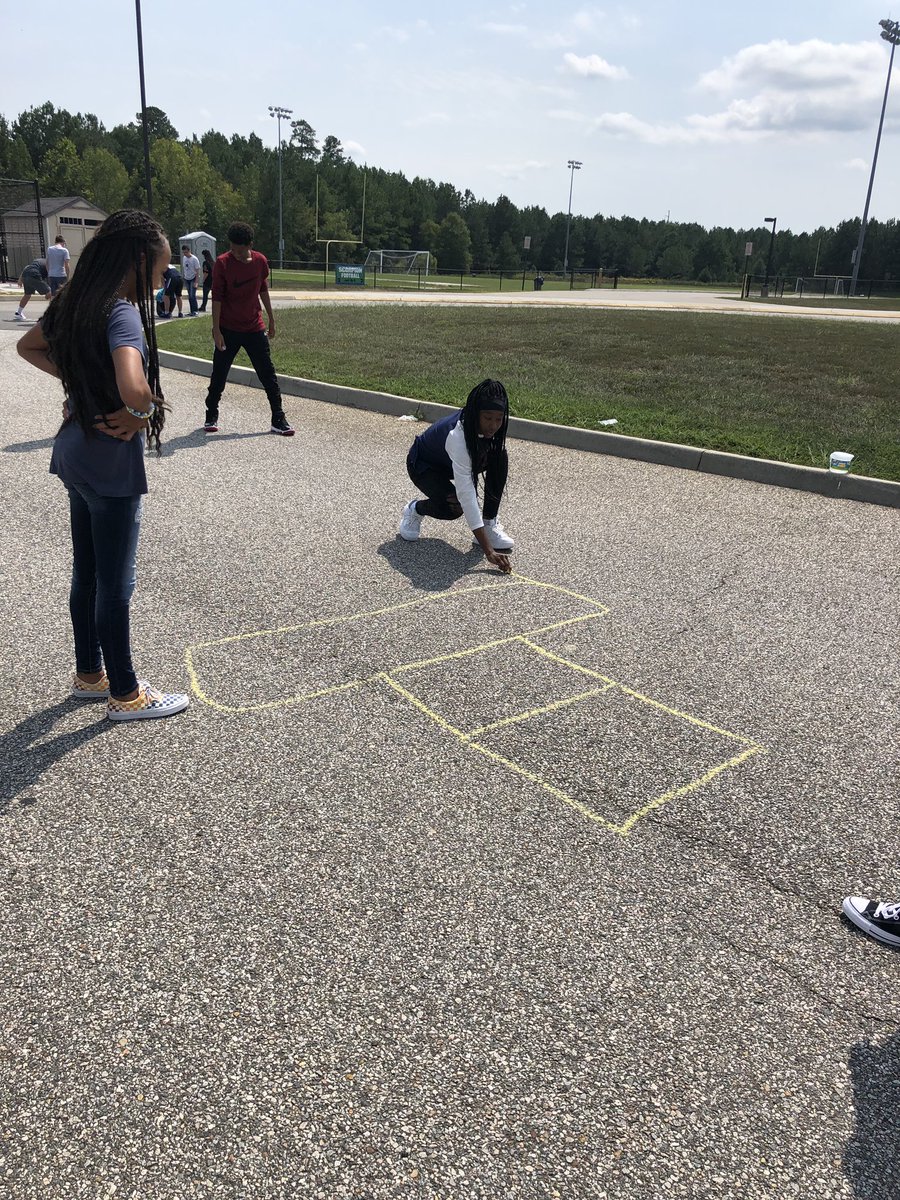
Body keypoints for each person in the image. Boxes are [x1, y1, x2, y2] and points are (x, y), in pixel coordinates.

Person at [16, 209, 189, 722]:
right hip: (109, 464)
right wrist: (141, 409)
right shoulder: (121, 312)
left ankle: (89, 675)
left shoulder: (76, 301)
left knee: (86, 572)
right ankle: (126, 693)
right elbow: (136, 387)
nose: (160, 282)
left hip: (74, 454)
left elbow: (29, 345)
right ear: (136, 261)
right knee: (115, 583)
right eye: (158, 272)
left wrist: (83, 389)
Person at [398, 379, 514, 573]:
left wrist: (484, 535)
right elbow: (466, 495)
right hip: (424, 465)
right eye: (487, 418)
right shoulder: (458, 436)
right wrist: (489, 551)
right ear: (475, 413)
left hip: (451, 462)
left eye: (498, 418)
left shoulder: (490, 430)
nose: (493, 425)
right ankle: (415, 509)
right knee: (454, 507)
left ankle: (489, 524)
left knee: (499, 455)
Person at [204, 221, 294, 436]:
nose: (234, 253)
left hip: (254, 327)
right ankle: (211, 413)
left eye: (239, 249)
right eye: (232, 248)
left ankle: (278, 418)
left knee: (268, 374)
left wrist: (271, 318)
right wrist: (216, 330)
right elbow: (217, 298)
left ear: (249, 245)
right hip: (229, 329)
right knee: (219, 374)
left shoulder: (260, 261)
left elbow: (262, 289)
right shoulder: (223, 264)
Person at [181, 243, 201, 315]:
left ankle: (195, 310)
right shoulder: (184, 258)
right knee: (189, 296)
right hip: (187, 278)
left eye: (186, 252)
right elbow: (184, 268)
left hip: (193, 278)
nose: (185, 254)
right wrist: (184, 277)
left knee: (192, 295)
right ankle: (192, 310)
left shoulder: (194, 259)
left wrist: (196, 282)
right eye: (183, 252)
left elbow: (197, 271)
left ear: (189, 251)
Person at [198, 248, 214, 312]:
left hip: (207, 280)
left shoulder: (205, 263)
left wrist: (203, 280)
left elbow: (205, 273)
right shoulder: (213, 262)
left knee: (205, 295)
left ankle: (203, 307)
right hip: (213, 280)